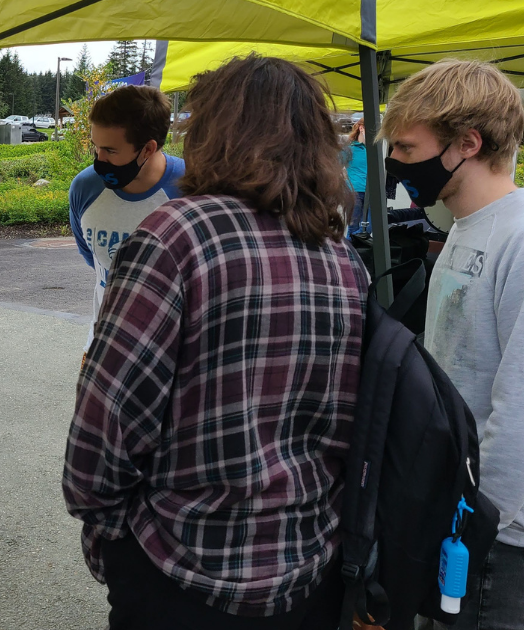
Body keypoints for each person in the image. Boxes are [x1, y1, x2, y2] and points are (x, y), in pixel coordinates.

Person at [63, 55, 369, 630]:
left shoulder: (176, 236)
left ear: (214, 132)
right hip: (307, 568)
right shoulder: (342, 257)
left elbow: (106, 426)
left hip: (179, 568)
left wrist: (111, 540)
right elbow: (348, 421)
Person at [380, 59, 524, 630]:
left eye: (407, 149)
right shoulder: (466, 227)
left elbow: (519, 404)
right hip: (450, 510)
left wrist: (484, 522)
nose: (393, 165)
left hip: (496, 533)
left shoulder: (517, 237)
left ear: (469, 142)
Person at [68, 84, 184, 354]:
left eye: (110, 150)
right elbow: (94, 259)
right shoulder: (85, 188)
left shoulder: (192, 189)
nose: (99, 160)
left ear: (147, 149)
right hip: (103, 349)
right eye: (96, 148)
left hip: (171, 358)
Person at [344, 119, 372, 236]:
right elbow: (334, 166)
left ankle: (355, 249)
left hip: (372, 193)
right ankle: (352, 252)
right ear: (361, 128)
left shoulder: (375, 150)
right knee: (353, 228)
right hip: (354, 192)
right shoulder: (350, 148)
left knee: (369, 227)